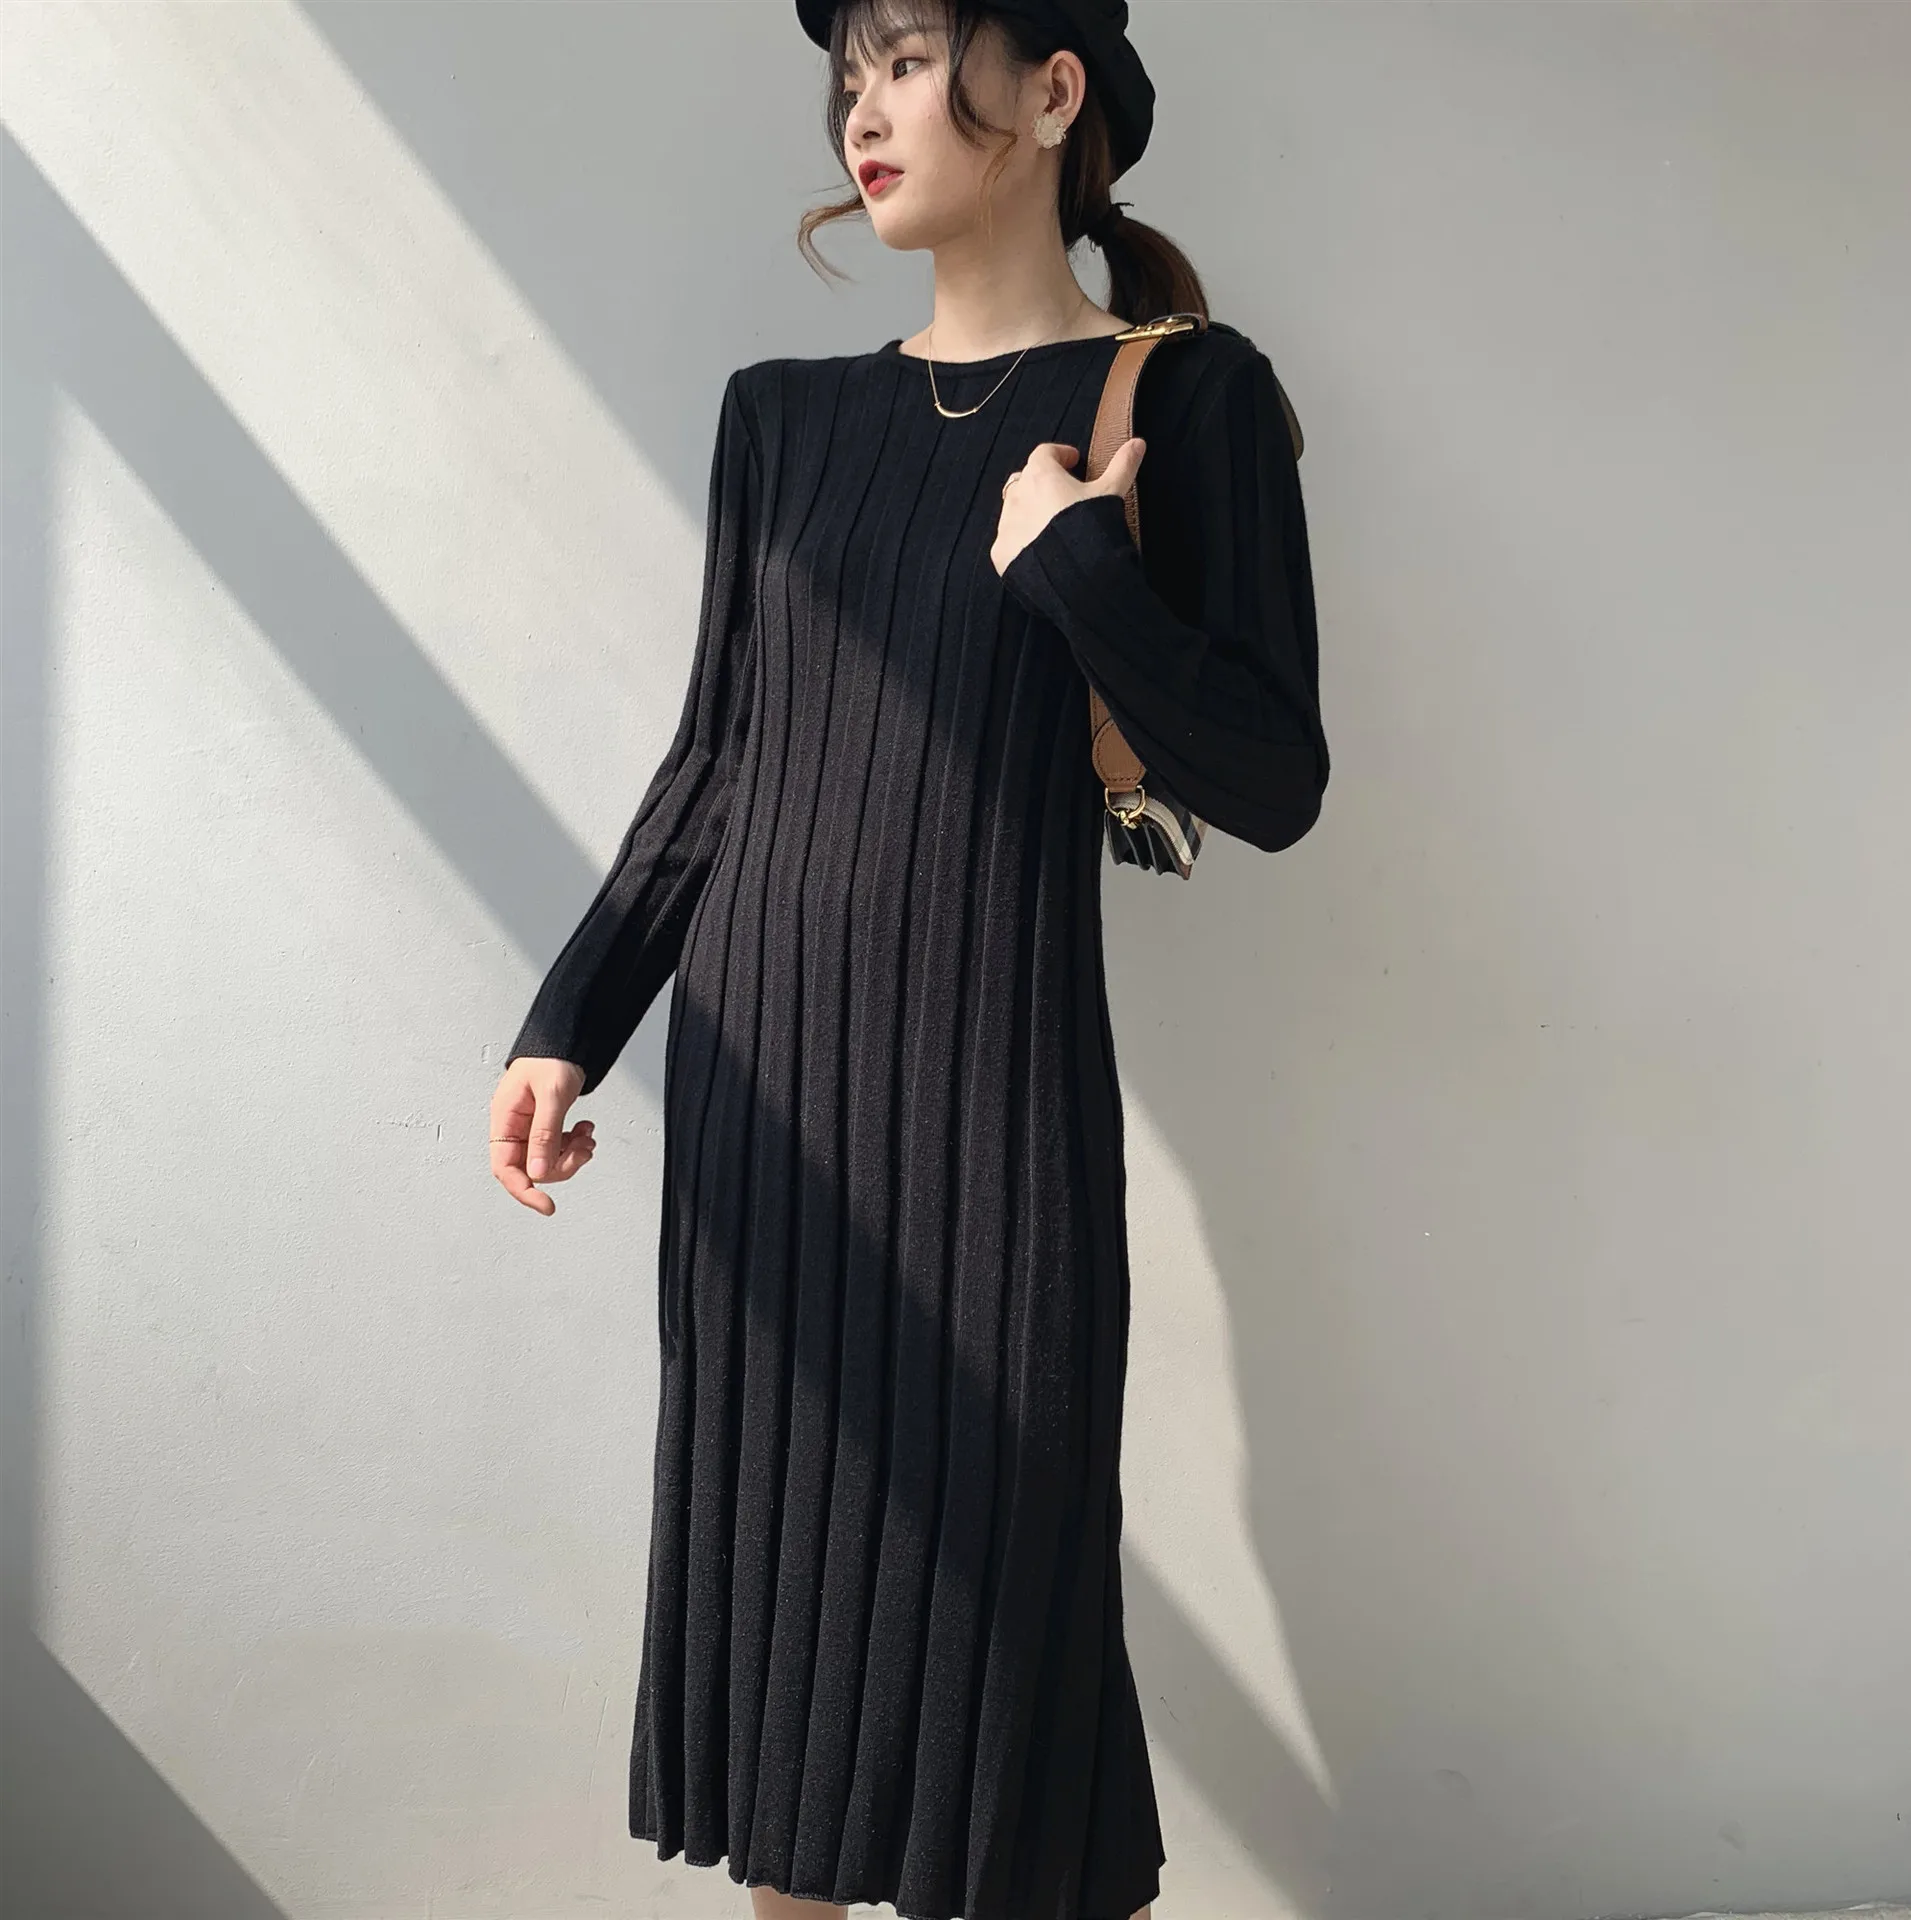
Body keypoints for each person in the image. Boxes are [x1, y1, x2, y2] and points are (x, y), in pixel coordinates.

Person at [488, 0, 1329, 1913]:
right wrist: (569, 1023)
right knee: (781, 1629)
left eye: (908, 57)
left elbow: (1273, 781)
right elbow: (718, 761)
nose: (862, 108)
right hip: (762, 1111)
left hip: (993, 1125)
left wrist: (1083, 572)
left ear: (1051, 90)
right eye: (849, 71)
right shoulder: (782, 418)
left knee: (1004, 1673)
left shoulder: (1184, 398)